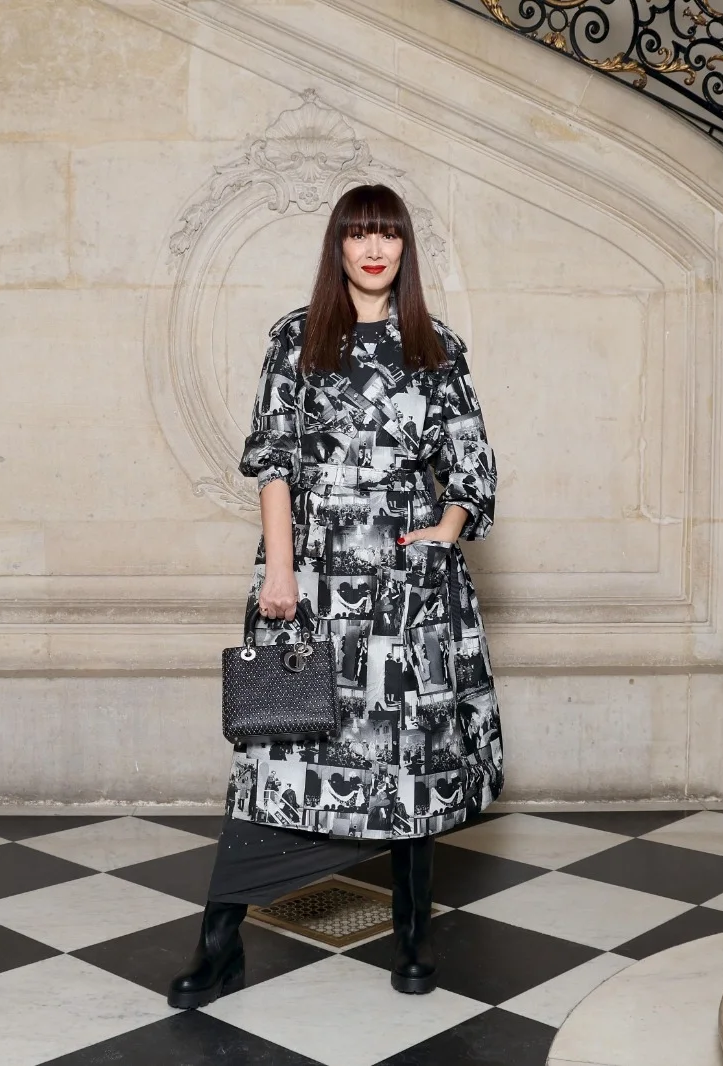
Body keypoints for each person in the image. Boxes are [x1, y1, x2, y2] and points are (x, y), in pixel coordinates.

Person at [166, 183, 503, 1009]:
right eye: (359, 234)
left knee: (409, 753)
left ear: (405, 248)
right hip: (313, 571)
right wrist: (281, 572)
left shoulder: (437, 347)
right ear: (339, 247)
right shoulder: (297, 337)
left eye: (388, 234)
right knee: (280, 748)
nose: (374, 248)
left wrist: (443, 532)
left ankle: (414, 930)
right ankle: (220, 945)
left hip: (410, 588)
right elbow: (274, 462)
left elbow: (470, 465)